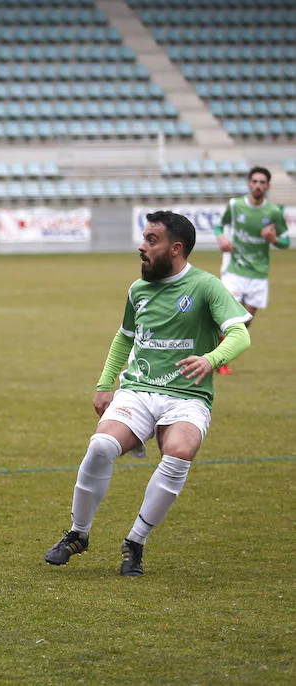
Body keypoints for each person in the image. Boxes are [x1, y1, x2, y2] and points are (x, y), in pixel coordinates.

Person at [44, 211, 252, 576]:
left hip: (188, 395)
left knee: (180, 451)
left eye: (151, 240)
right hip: (138, 390)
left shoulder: (205, 286)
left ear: (175, 248)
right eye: (144, 238)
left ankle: (135, 542)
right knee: (100, 446)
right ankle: (78, 533)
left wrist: (211, 359)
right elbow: (125, 337)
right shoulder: (138, 289)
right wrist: (105, 384)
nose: (142, 246)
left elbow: (240, 333)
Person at [212, 165, 290, 373]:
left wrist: (273, 239)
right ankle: (220, 359)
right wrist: (222, 238)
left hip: (259, 273)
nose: (258, 186)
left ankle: (222, 348)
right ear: (249, 184)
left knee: (245, 322)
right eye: (254, 182)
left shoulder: (273, 211)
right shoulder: (235, 205)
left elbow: (285, 242)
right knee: (231, 316)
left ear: (268, 186)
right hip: (235, 269)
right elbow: (219, 225)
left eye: (262, 182)